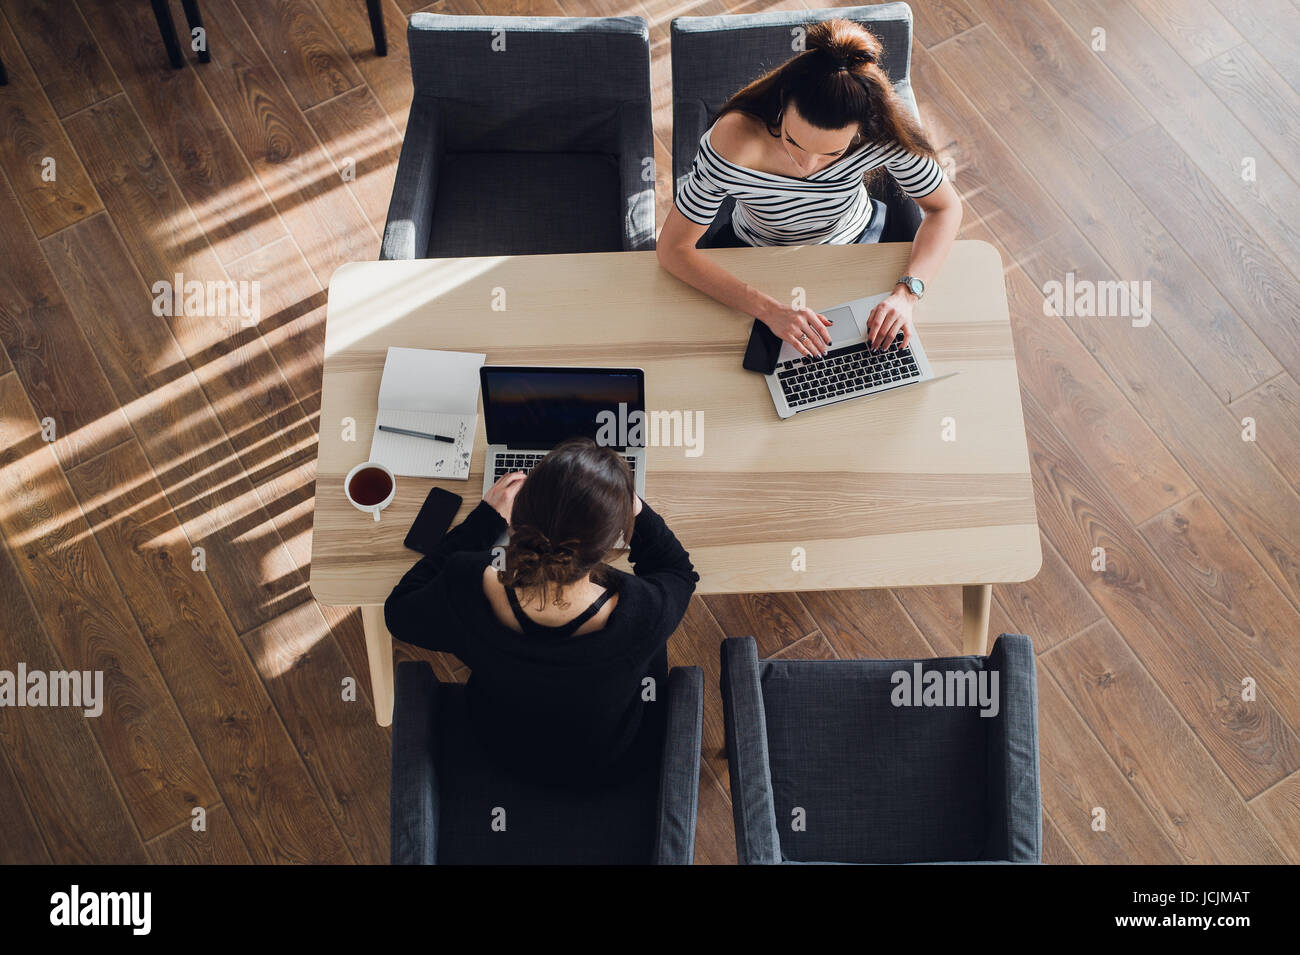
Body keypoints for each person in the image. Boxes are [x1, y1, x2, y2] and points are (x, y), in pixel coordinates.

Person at [384, 437, 699, 786]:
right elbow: (678, 571)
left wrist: (483, 522)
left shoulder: (466, 586)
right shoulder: (644, 614)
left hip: (501, 749)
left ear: (517, 519)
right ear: (611, 542)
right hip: (605, 760)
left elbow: (400, 611)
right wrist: (632, 509)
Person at [657, 18, 962, 360]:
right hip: (754, 250)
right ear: (782, 101)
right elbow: (673, 250)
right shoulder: (733, 139)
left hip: (855, 244)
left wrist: (907, 293)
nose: (806, 168)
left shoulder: (882, 131)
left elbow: (945, 208)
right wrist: (769, 309)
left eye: (832, 154)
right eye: (792, 141)